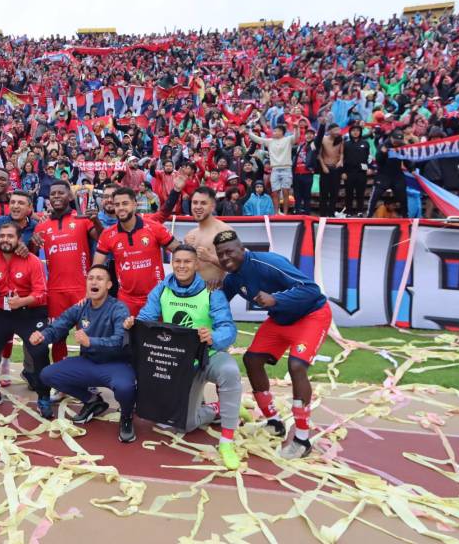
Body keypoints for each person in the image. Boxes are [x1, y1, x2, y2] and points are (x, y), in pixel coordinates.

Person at [214, 230, 332, 459]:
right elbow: (218, 303)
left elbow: (311, 289)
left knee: (297, 367)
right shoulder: (232, 278)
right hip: (280, 319)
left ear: (242, 249)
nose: (226, 258)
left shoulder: (268, 262)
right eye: (221, 255)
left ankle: (302, 439)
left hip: (311, 315)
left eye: (230, 252)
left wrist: (277, 299)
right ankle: (274, 422)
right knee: (251, 360)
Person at [130, 245, 242, 469]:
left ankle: (227, 441)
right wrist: (134, 324)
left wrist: (213, 337)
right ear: (172, 263)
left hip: (207, 355)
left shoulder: (212, 292)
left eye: (187, 262)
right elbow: (146, 319)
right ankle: (218, 408)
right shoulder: (162, 289)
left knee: (230, 372)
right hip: (178, 362)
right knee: (185, 425)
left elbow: (228, 329)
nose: (182, 266)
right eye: (177, 261)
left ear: (197, 265)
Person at [32, 265, 135, 442]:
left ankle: (126, 417)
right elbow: (59, 325)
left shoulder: (118, 308)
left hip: (115, 365)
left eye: (99, 279)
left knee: (126, 389)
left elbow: (119, 342)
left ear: (109, 285)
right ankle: (92, 400)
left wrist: (91, 342)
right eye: (90, 278)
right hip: (88, 363)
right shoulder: (81, 307)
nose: (94, 282)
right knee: (47, 375)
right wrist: (43, 336)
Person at [0, 222, 50, 416]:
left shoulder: (32, 261)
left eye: (10, 236)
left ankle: (44, 396)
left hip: (29, 312)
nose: (5, 240)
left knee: (39, 349)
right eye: (2, 236)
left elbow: (41, 294)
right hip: (2, 311)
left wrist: (22, 301)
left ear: (18, 239)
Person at [31, 180, 102, 365]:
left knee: (86, 336)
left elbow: (103, 240)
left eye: (60, 193)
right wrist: (31, 242)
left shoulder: (82, 218)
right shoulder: (42, 227)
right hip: (55, 290)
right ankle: (61, 382)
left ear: (70, 196)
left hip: (81, 289)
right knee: (58, 336)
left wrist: (96, 220)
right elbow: (29, 255)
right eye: (52, 193)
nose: (56, 196)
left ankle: (87, 381)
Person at [93, 187, 179, 316]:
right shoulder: (107, 234)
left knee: (156, 336)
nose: (121, 208)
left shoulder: (154, 227)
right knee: (127, 336)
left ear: (134, 204)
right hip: (126, 300)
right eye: (117, 205)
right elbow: (96, 267)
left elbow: (180, 252)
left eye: (125, 203)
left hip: (155, 297)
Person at [182, 186, 232, 289]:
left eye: (203, 203)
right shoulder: (191, 234)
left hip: (213, 297)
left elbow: (237, 267)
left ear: (212, 206)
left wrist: (210, 258)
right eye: (195, 202)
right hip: (191, 295)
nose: (198, 207)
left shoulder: (224, 231)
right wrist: (185, 249)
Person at [245, 123, 298, 214]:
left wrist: (296, 129)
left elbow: (296, 137)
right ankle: (276, 213)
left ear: (281, 132)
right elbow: (257, 139)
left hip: (286, 168)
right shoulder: (270, 141)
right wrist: (249, 131)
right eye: (274, 130)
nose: (274, 132)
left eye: (276, 131)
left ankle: (285, 213)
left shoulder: (288, 139)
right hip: (275, 169)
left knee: (286, 192)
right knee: (275, 192)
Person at [343, 123, 370, 216]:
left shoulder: (365, 143)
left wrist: (369, 167)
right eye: (353, 131)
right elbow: (342, 158)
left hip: (361, 172)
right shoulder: (346, 144)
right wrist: (343, 172)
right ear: (350, 132)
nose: (355, 132)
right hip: (349, 172)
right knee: (349, 193)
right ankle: (349, 211)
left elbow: (368, 157)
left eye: (357, 131)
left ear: (360, 132)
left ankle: (360, 211)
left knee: (360, 193)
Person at [317, 123, 344, 217]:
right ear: (329, 131)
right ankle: (323, 214)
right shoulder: (323, 139)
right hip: (325, 167)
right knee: (324, 193)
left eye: (338, 130)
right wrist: (323, 166)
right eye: (335, 130)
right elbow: (319, 155)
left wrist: (340, 161)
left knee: (334, 192)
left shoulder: (340, 139)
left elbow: (342, 153)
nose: (337, 132)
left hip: (336, 168)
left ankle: (331, 213)